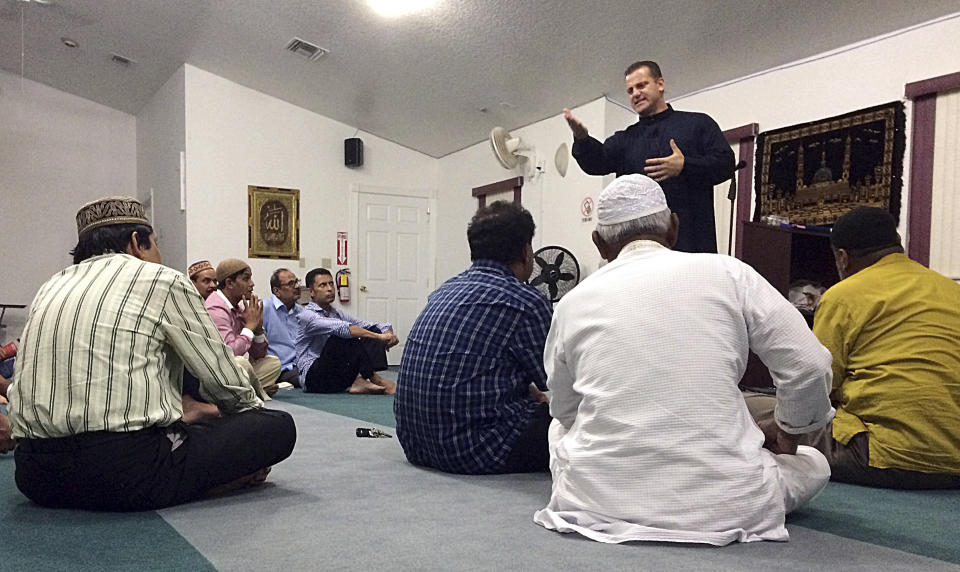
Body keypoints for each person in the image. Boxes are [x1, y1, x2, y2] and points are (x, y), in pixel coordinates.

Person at [533, 175, 833, 545]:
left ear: (599, 243)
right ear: (674, 228)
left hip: (597, 502)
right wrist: (787, 431)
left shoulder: (573, 303)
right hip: (731, 503)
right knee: (815, 464)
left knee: (557, 428)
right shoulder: (730, 273)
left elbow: (565, 412)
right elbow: (809, 365)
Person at [6, 196, 296, 510]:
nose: (159, 253)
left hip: (36, 476)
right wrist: (252, 419)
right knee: (277, 427)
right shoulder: (162, 279)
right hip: (126, 474)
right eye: (155, 244)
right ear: (136, 242)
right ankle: (221, 479)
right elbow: (225, 380)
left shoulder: (49, 287)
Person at [746, 207, 960, 489]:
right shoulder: (950, 291)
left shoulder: (843, 296)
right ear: (898, 244)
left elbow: (817, 387)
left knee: (746, 403)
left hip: (880, 456)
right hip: (954, 461)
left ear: (843, 258)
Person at [394, 201, 552, 475]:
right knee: (582, 419)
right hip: (474, 451)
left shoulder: (445, 290)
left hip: (416, 444)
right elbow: (559, 382)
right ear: (526, 251)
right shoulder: (526, 302)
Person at [563, 60, 735, 253]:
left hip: (692, 244)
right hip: (639, 251)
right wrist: (582, 139)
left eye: (641, 85)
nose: (635, 93)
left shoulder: (698, 124)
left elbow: (726, 163)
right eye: (630, 90)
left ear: (660, 84)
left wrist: (685, 165)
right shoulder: (624, 140)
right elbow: (596, 163)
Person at [295, 268, 397, 394]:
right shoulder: (307, 316)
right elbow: (343, 329)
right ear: (311, 292)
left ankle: (360, 380)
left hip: (334, 375)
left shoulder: (336, 313)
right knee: (343, 335)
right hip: (313, 379)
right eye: (323, 285)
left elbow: (369, 325)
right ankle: (375, 379)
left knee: (368, 330)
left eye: (331, 284)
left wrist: (387, 333)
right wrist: (378, 337)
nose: (330, 288)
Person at [206, 259, 281, 400]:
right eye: (246, 279)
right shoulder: (215, 307)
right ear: (229, 283)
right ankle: (255, 389)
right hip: (217, 372)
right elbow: (229, 352)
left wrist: (257, 330)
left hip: (232, 371)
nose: (252, 284)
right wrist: (249, 327)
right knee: (242, 363)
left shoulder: (238, 308)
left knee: (273, 363)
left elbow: (258, 355)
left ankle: (248, 389)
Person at [262, 268, 304, 388]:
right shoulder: (264, 308)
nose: (296, 287)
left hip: (301, 364)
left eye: (297, 282)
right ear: (276, 291)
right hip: (281, 369)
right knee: (312, 378)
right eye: (291, 284)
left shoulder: (301, 312)